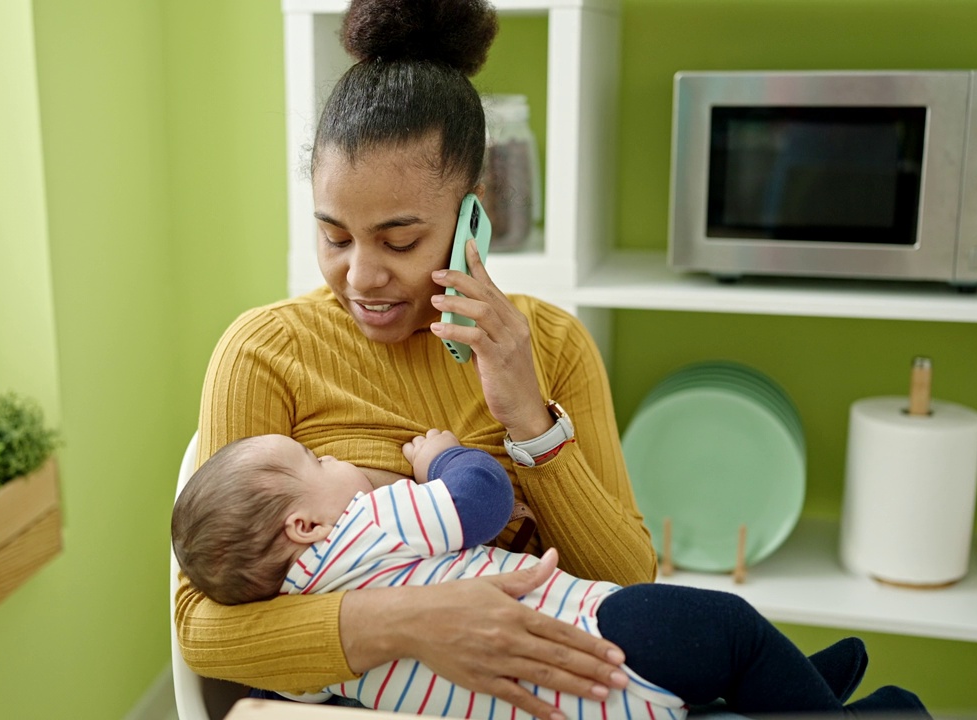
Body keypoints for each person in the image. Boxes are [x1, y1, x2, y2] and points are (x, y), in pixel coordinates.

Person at [175, 1, 659, 717]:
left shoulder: (550, 345)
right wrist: (422, 622)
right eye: (335, 237)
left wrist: (529, 419)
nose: (361, 276)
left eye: (398, 241)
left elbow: (632, 588)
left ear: (473, 216)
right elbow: (205, 631)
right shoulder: (266, 353)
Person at [172, 430, 932, 718]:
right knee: (729, 630)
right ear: (303, 526)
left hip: (571, 707)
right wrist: (438, 458)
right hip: (597, 636)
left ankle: (815, 695)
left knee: (716, 701)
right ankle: (796, 691)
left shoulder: (302, 661)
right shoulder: (363, 527)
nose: (336, 460)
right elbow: (483, 498)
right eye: (315, 463)